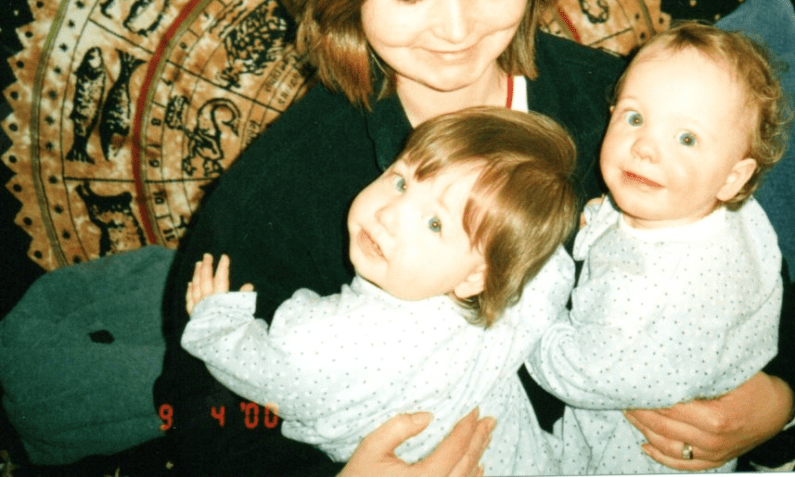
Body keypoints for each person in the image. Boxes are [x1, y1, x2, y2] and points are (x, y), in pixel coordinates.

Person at [155, 0, 795, 477]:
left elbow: (750, 269)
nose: (455, 28)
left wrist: (781, 403)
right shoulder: (286, 183)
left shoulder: (622, 111)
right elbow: (195, 411)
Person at [181, 108, 578, 476]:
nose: (388, 215)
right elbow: (550, 279)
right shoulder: (505, 316)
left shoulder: (328, 339)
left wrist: (216, 322)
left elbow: (264, 370)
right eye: (401, 182)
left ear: (476, 278)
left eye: (434, 224)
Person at [526, 23, 791, 474]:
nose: (646, 147)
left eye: (686, 139)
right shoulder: (735, 214)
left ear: (733, 177)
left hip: (632, 455)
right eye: (634, 118)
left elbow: (576, 374)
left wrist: (530, 304)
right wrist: (603, 221)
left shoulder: (643, 290)